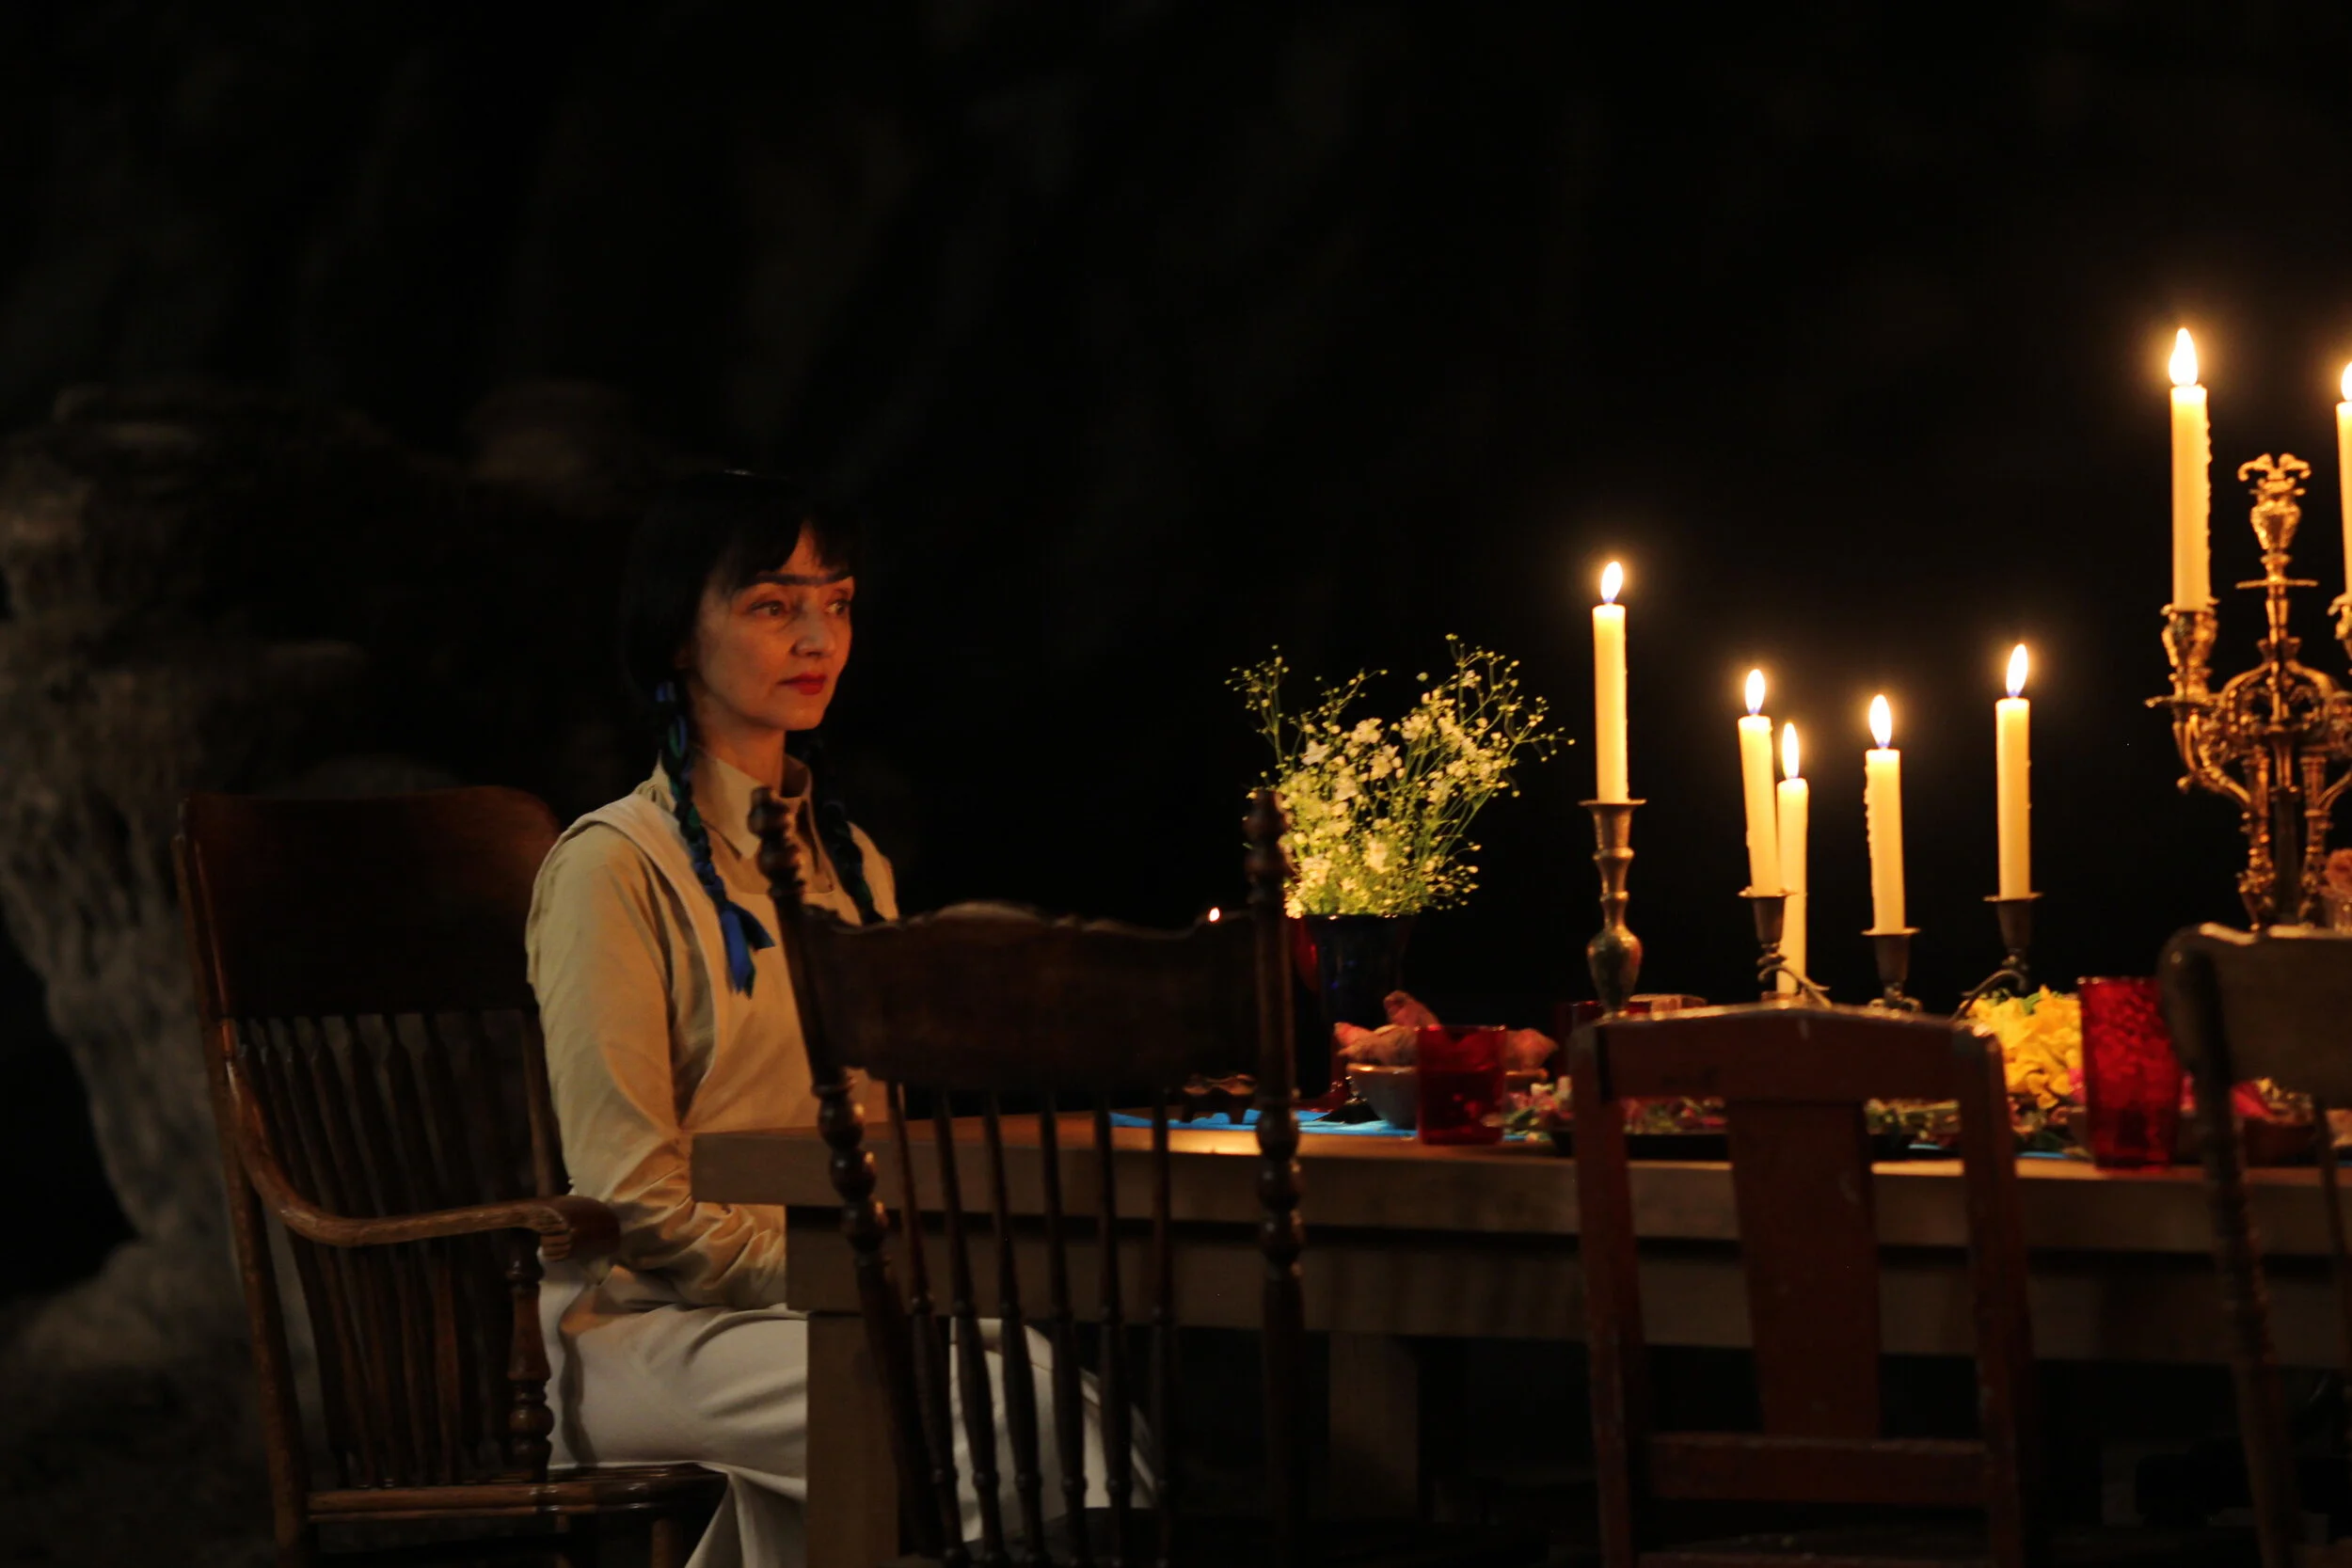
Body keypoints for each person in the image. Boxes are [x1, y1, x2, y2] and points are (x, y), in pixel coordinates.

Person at [528, 471, 1116, 1566]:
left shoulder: (852, 868)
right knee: (999, 1412)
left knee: (1038, 1379)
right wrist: (836, 1275)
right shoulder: (613, 867)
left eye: (835, 602)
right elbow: (631, 1191)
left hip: (818, 1302)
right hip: (643, 1324)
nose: (816, 636)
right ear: (674, 635)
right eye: (770, 604)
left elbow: (878, 1148)